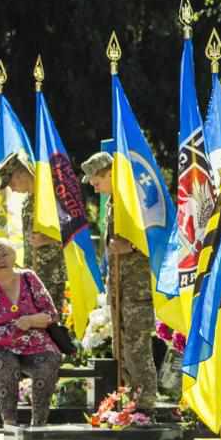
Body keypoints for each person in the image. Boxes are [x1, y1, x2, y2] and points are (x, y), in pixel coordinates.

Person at [82, 151, 158, 410]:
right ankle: (129, 403)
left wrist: (132, 248)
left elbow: (158, 234)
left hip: (137, 289)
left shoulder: (135, 201)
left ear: (111, 172)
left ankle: (145, 404)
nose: (93, 185)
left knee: (137, 349)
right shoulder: (115, 202)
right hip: (120, 289)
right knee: (122, 349)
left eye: (96, 178)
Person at [0, 237, 62, 426]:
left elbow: (50, 314)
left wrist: (30, 320)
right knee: (7, 364)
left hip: (31, 344)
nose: (1, 259)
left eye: (5, 254)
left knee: (48, 361)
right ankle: (10, 425)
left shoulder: (28, 278)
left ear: (14, 256)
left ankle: (39, 425)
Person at [0, 151, 67, 309]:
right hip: (33, 273)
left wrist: (48, 239)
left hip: (51, 272)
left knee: (50, 323)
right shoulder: (28, 201)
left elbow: (72, 231)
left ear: (21, 174)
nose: (12, 190)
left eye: (12, 184)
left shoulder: (50, 196)